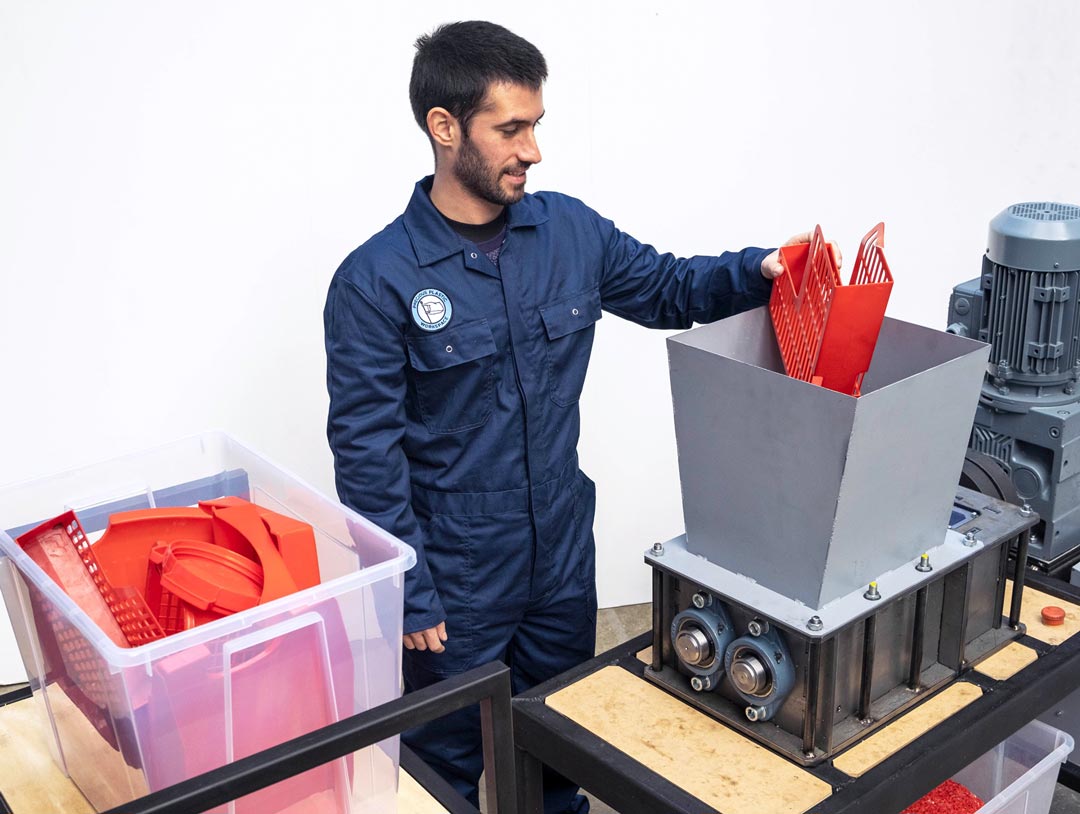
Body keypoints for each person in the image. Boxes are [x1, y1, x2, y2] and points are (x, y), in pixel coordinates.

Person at [324, 20, 808, 813]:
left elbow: (668, 289)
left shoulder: (569, 232)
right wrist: (410, 594)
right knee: (436, 764)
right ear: (444, 128)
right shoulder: (376, 281)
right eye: (509, 129)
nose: (533, 150)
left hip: (557, 555)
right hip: (455, 570)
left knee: (558, 739)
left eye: (536, 126)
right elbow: (367, 453)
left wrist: (758, 271)